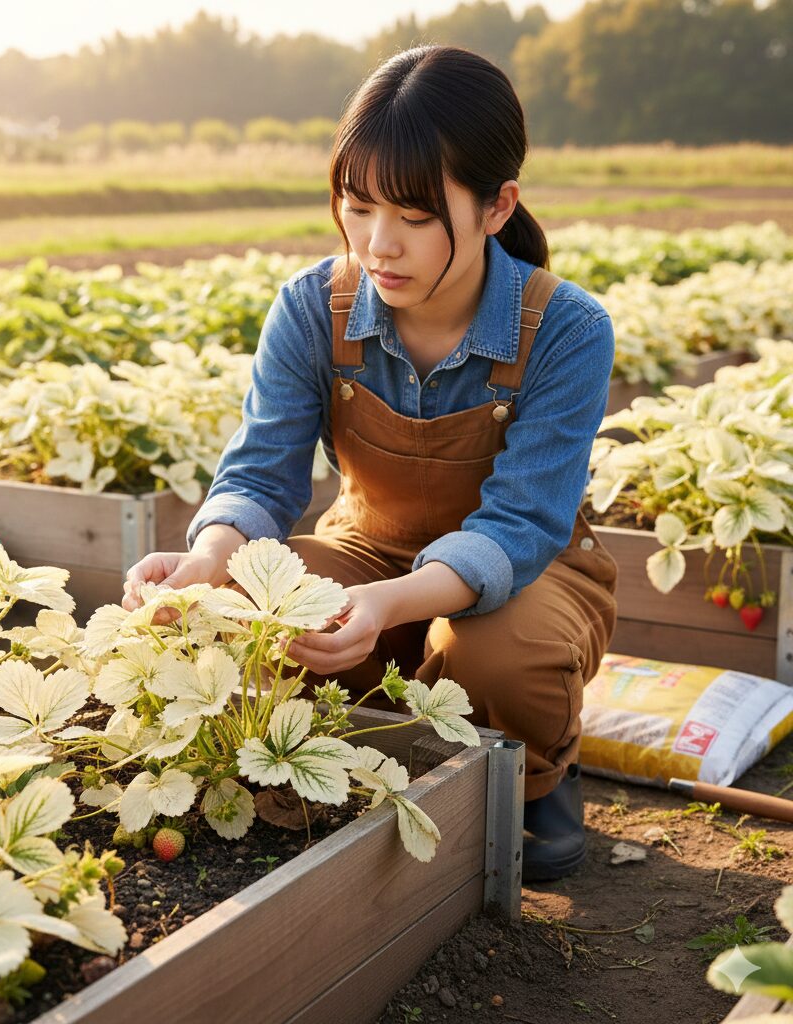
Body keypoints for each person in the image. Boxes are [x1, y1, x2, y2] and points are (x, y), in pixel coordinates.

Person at [123, 45, 618, 882]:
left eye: (417, 217)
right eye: (357, 206)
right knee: (238, 594)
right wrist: (205, 560)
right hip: (364, 553)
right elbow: (260, 473)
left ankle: (535, 779)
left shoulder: (565, 328)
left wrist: (389, 601)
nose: (379, 244)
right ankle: (360, 751)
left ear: (499, 206)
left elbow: (521, 524)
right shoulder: (314, 306)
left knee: (491, 655)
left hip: (531, 575)